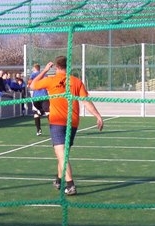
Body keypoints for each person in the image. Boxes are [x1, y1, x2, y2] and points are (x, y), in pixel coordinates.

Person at [29, 56, 104, 195]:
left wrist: (44, 70)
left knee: (62, 155)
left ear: (56, 67)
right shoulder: (76, 81)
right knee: (63, 155)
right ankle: (58, 180)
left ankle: (70, 185)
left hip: (57, 121)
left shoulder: (51, 80)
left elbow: (32, 85)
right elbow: (86, 101)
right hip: (72, 122)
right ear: (68, 66)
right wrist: (98, 116)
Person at [29, 63, 49, 136]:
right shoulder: (45, 74)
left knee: (36, 113)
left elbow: (30, 82)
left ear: (35, 68)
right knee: (47, 111)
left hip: (36, 96)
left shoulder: (34, 74)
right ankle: (53, 128)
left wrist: (32, 84)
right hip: (44, 95)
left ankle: (38, 130)